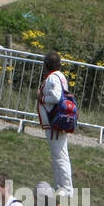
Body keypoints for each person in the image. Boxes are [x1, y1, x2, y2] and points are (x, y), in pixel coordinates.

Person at [36, 50, 73, 193]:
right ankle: (60, 185)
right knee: (58, 155)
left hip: (55, 121)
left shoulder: (52, 78)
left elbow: (56, 97)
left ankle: (66, 188)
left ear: (47, 65)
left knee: (60, 156)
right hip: (57, 120)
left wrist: (42, 98)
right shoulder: (60, 76)